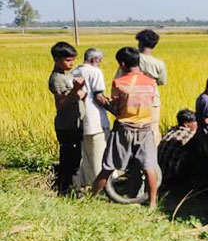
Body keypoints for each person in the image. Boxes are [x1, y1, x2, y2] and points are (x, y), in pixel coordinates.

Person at [92, 47, 160, 210]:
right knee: (149, 167)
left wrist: (105, 103)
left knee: (108, 166)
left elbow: (117, 109)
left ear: (122, 64)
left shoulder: (119, 83)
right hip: (145, 129)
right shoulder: (151, 82)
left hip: (124, 128)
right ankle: (152, 204)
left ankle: (91, 198)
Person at [116, 30, 167, 144]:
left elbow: (119, 79)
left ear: (140, 43)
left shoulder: (131, 58)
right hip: (153, 99)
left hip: (130, 98)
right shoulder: (159, 63)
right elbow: (162, 81)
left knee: (131, 127)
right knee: (153, 129)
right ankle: (154, 156)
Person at [48, 41, 86, 195]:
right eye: (68, 60)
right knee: (68, 158)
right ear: (57, 60)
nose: (72, 63)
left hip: (77, 122)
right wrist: (76, 92)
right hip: (67, 125)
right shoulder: (56, 79)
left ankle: (73, 187)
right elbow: (60, 104)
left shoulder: (69, 75)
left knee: (77, 157)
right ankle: (64, 188)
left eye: (73, 59)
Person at [72, 48, 111, 188]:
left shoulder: (74, 71)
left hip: (80, 119)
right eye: (99, 61)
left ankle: (86, 184)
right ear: (94, 59)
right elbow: (98, 96)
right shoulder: (95, 72)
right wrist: (114, 108)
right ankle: (101, 186)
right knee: (99, 154)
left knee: (86, 155)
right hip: (95, 119)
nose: (99, 64)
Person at [157, 109, 199, 182]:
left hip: (159, 172)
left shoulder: (172, 130)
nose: (197, 123)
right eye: (195, 121)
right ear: (186, 124)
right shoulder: (189, 134)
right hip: (171, 175)